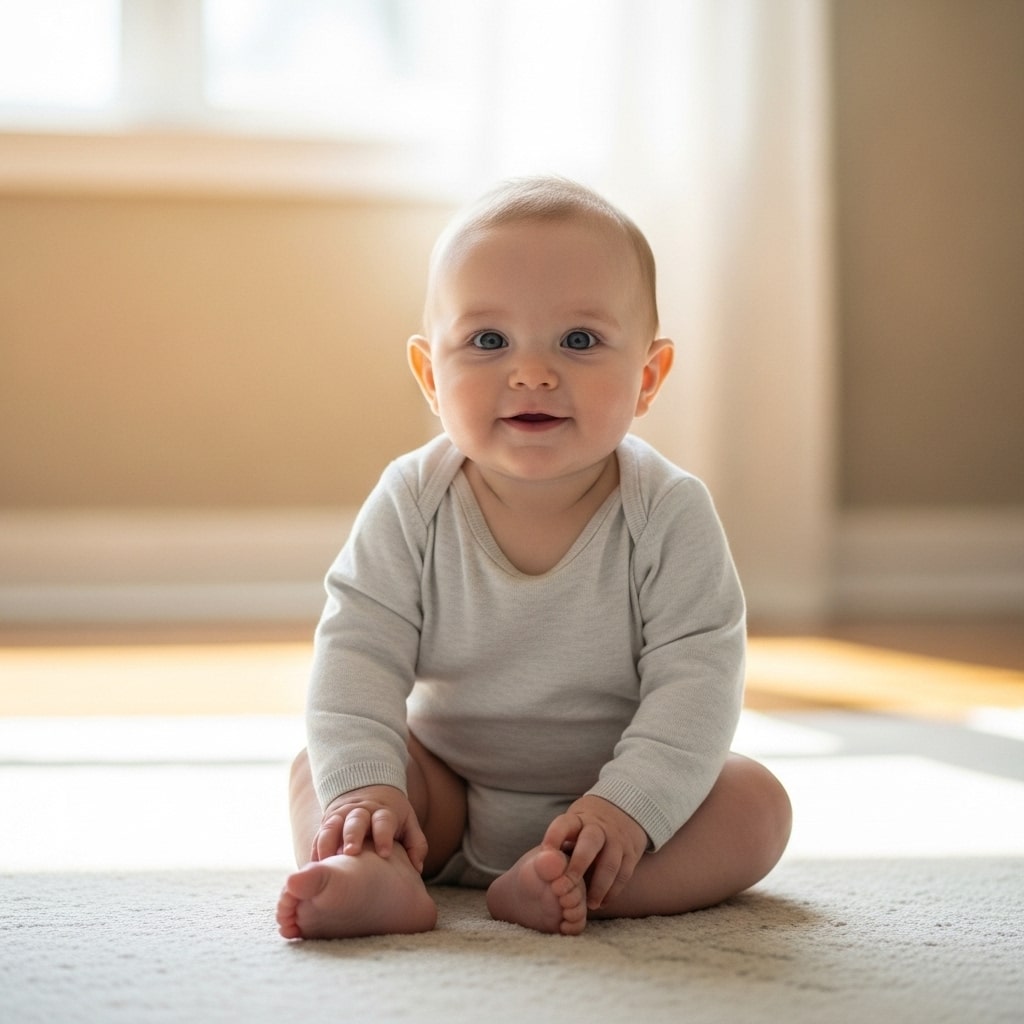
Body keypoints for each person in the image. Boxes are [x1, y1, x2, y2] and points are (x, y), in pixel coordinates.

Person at [276, 176, 792, 940]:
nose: (532, 373)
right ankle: (379, 871)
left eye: (578, 341)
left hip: (619, 802)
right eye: (488, 341)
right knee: (320, 770)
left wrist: (627, 808)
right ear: (429, 376)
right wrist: (368, 792)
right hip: (445, 796)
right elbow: (357, 652)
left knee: (757, 806)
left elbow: (699, 682)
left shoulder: (668, 511)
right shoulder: (413, 500)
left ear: (647, 378)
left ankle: (587, 885)